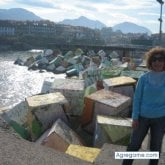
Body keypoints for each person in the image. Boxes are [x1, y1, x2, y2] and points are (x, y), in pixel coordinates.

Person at [122, 47, 165, 165]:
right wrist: (135, 117)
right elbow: (137, 99)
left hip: (160, 119)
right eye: (154, 60)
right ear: (150, 62)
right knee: (134, 145)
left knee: (155, 148)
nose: (157, 62)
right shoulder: (143, 78)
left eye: (161, 59)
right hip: (142, 118)